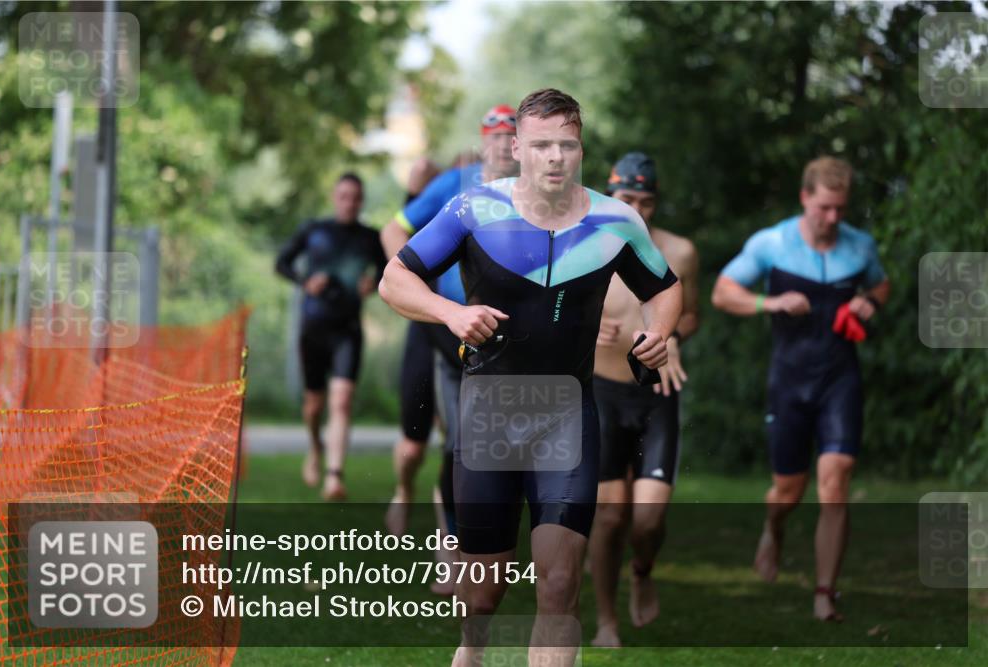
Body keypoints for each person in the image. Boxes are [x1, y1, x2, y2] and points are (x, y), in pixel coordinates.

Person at [379, 89, 682, 666]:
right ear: (517, 147)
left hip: (566, 413)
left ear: (581, 150)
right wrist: (452, 312)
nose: (555, 158)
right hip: (489, 413)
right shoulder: (473, 210)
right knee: (485, 587)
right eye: (541, 145)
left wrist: (658, 331)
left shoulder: (616, 222)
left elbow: (664, 287)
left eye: (567, 145)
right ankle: (471, 647)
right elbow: (395, 279)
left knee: (559, 581)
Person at [711, 156, 889, 621]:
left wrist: (868, 301)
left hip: (840, 377)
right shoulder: (771, 243)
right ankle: (773, 530)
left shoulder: (861, 246)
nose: (833, 218)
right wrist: (770, 301)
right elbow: (722, 292)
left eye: (841, 210)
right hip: (789, 379)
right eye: (825, 208)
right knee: (788, 491)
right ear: (805, 198)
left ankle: (824, 592)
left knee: (837, 482)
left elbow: (882, 286)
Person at [382, 105, 519, 557]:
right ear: (483, 141)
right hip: (439, 326)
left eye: (510, 134)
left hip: (493, 330)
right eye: (494, 135)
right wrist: (414, 286)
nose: (502, 143)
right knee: (414, 442)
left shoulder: (531, 191)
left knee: (465, 438)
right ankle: (405, 491)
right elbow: (393, 229)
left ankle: (453, 544)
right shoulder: (455, 184)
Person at [587, 152, 700, 647]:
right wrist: (587, 328)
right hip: (602, 393)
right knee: (609, 516)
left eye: (646, 201)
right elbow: (548, 315)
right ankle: (606, 622)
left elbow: (692, 315)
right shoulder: (581, 247)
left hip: (656, 395)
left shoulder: (681, 251)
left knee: (648, 519)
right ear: (609, 196)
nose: (637, 209)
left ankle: (644, 568)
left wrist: (671, 334)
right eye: (627, 199)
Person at [276, 172, 386, 501]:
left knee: (341, 401)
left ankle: (334, 476)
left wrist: (374, 284)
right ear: (334, 197)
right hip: (314, 328)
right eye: (344, 196)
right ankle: (314, 447)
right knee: (313, 406)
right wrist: (305, 281)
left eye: (355, 197)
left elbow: (389, 272)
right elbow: (281, 263)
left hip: (348, 330)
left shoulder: (371, 237)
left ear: (361, 200)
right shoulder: (314, 230)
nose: (349, 202)